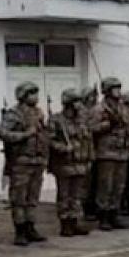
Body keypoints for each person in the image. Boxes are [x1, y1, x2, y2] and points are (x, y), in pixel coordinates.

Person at [0, 81, 50, 247]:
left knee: (32, 198)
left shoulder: (38, 112)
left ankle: (30, 227)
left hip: (37, 161)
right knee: (19, 198)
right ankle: (20, 231)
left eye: (36, 93)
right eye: (32, 94)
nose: (35, 97)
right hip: (21, 162)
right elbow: (3, 133)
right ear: (23, 96)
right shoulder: (14, 114)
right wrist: (25, 135)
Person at [89, 78, 129, 230]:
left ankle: (114, 213)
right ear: (107, 91)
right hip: (106, 152)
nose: (119, 91)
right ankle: (104, 216)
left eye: (119, 88)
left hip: (121, 152)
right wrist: (108, 124)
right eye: (115, 88)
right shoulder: (99, 109)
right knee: (105, 185)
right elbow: (92, 128)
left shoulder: (123, 108)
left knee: (119, 186)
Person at [47, 88, 91, 237]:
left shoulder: (81, 120)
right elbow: (50, 140)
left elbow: (88, 140)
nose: (80, 105)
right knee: (64, 195)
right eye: (76, 102)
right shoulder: (56, 120)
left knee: (77, 195)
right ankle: (65, 224)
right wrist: (64, 148)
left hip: (80, 163)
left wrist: (90, 158)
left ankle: (75, 221)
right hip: (64, 163)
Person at [79, 86, 100, 222]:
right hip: (83, 151)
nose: (94, 98)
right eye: (92, 96)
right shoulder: (81, 112)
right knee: (85, 183)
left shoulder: (95, 110)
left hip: (96, 150)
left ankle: (93, 207)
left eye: (95, 96)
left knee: (95, 182)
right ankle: (86, 209)